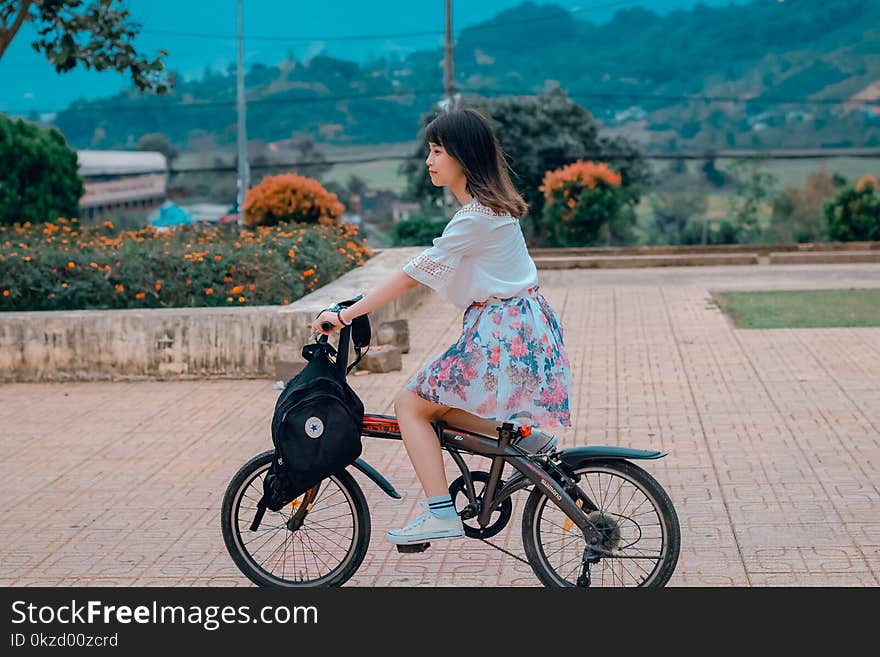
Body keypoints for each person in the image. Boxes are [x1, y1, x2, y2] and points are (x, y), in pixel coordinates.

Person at [310, 107, 572, 545]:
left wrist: (346, 314)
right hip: (518, 325)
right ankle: (529, 439)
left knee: (411, 405)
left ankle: (439, 513)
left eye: (436, 151)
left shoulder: (476, 217)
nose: (429, 161)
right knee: (437, 404)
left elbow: (412, 274)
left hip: (501, 329)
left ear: (462, 156)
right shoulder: (488, 211)